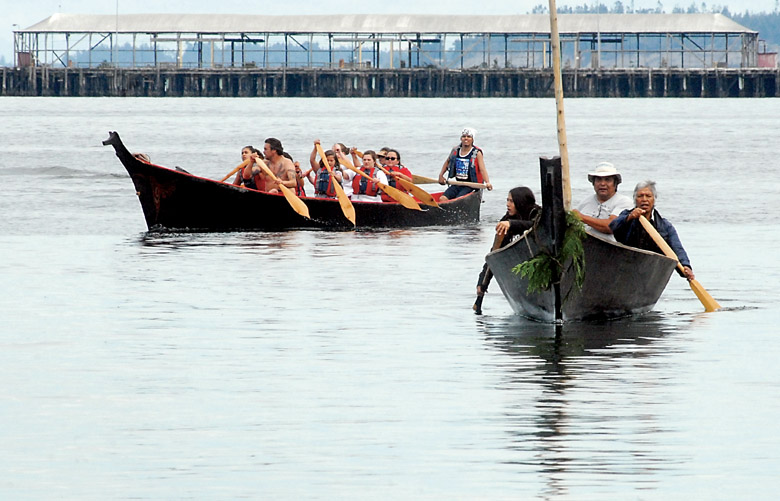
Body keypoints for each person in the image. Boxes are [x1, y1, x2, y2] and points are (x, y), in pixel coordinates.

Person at [609, 180, 695, 280]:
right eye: (640, 196)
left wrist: (685, 266)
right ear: (635, 199)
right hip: (626, 269)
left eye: (648, 196)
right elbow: (613, 226)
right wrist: (629, 217)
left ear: (654, 199)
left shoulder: (665, 226)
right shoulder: (626, 216)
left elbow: (677, 248)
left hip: (651, 274)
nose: (644, 199)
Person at [474, 187, 541, 313]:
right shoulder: (505, 221)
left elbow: (537, 226)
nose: (507, 204)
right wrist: (482, 282)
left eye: (511, 201)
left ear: (521, 202)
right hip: (520, 268)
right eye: (507, 200)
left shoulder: (536, 213)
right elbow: (495, 253)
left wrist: (512, 224)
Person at [572, 162, 633, 241]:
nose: (602, 184)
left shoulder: (624, 202)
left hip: (611, 247)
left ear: (615, 184)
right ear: (593, 183)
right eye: (598, 180)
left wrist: (582, 217)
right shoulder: (585, 202)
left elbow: (611, 226)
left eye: (608, 180)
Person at [438, 127, 493, 202]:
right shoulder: (455, 150)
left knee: (458, 200)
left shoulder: (477, 153)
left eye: (469, 137)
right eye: (464, 136)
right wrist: (441, 175)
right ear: (461, 138)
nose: (466, 138)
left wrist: (487, 182)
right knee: (442, 199)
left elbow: (482, 169)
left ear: (472, 139)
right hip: (458, 183)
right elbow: (447, 162)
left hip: (471, 186)